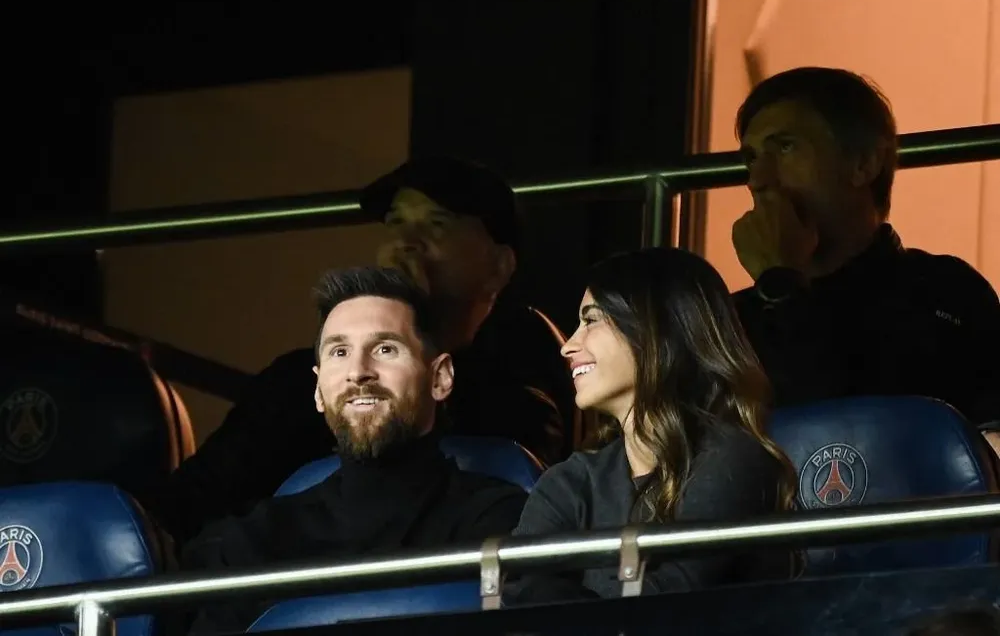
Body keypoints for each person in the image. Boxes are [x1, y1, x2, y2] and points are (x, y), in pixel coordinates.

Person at [145, 157, 574, 544]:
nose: (406, 242)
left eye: (437, 225)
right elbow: (197, 499)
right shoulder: (296, 380)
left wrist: (419, 336)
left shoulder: (524, 364)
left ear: (499, 265)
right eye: (395, 224)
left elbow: (510, 471)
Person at [176, 266, 529, 634]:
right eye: (340, 351)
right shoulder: (255, 542)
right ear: (317, 391)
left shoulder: (498, 523)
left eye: (385, 349)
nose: (358, 372)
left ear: (440, 378)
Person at [504, 248, 798, 605]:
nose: (568, 346)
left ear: (654, 329)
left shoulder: (734, 459)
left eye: (591, 320)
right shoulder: (573, 480)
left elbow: (667, 602)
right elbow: (518, 589)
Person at [730, 66, 1000, 453]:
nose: (758, 179)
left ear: (863, 164)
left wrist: (783, 285)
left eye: (785, 147)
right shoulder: (735, 318)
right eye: (751, 159)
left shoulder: (944, 294)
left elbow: (851, 441)